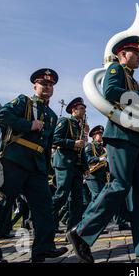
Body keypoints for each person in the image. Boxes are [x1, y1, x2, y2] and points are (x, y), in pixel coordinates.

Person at [66, 36, 139, 263]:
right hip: (120, 136)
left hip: (137, 139)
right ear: (122, 54)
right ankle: (82, 232)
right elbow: (110, 92)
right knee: (119, 185)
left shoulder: (133, 80)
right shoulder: (116, 69)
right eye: (136, 53)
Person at [0, 68, 68, 263]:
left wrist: (47, 170)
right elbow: (2, 115)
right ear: (35, 86)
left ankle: (43, 248)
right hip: (14, 161)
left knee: (44, 207)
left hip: (36, 168)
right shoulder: (24, 102)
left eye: (51, 85)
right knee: (1, 206)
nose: (48, 87)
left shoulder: (52, 115)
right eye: (44, 84)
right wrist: (29, 125)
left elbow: (46, 147)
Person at [52, 97, 89, 233]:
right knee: (61, 195)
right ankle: (45, 220)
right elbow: (54, 139)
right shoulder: (65, 121)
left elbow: (81, 149)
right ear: (73, 110)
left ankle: (73, 230)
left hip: (77, 167)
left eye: (84, 108)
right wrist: (72, 143)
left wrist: (85, 167)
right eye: (81, 108)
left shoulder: (79, 126)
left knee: (77, 201)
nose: (84, 111)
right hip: (65, 163)